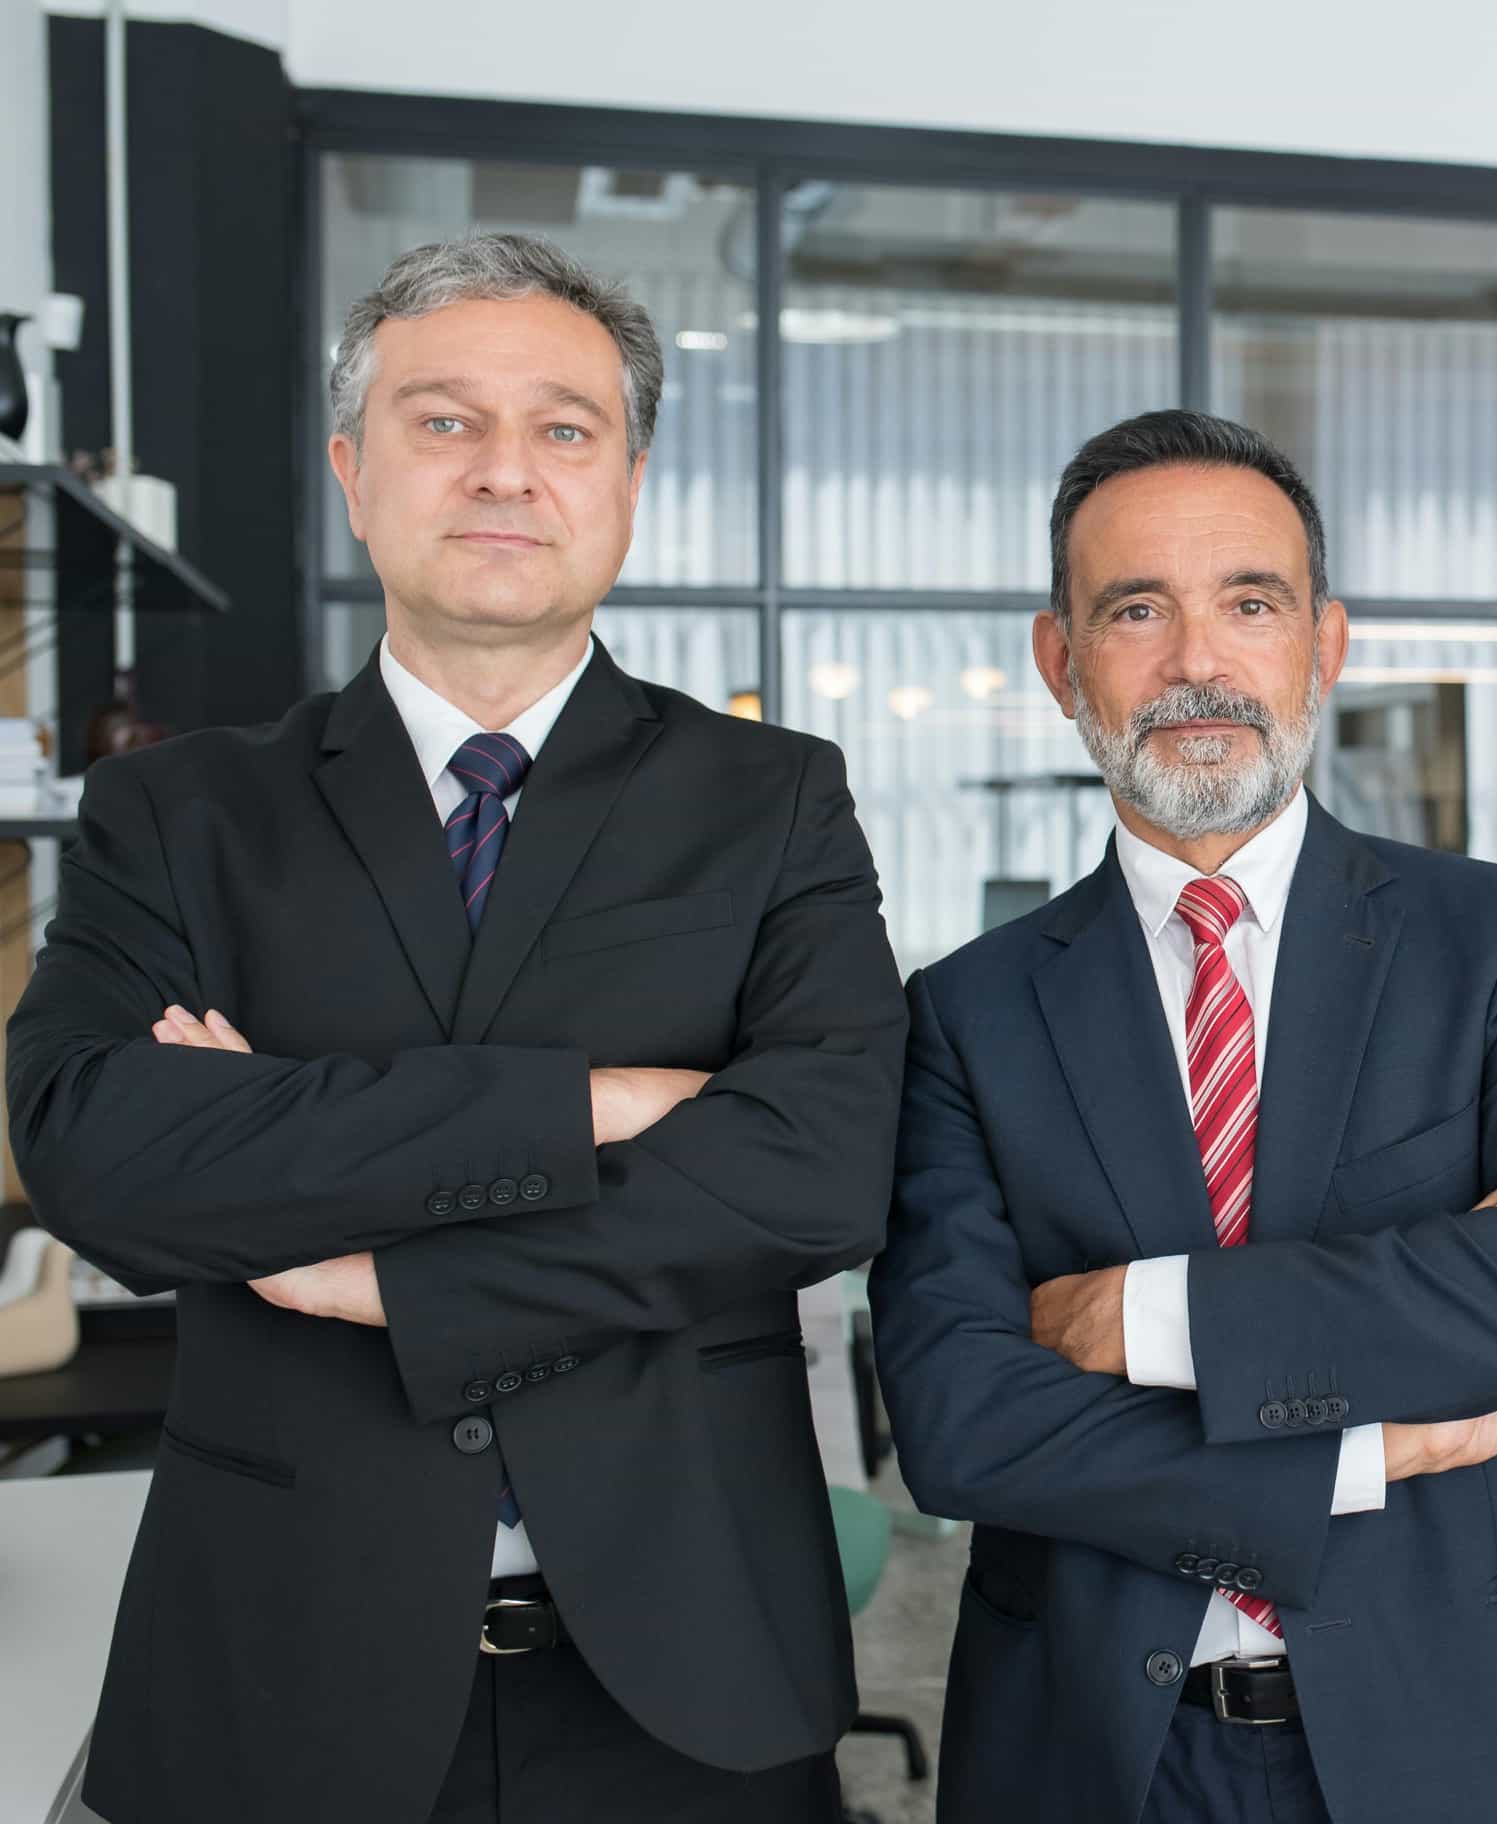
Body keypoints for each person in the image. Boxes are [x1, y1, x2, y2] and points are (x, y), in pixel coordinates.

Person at [7, 231, 904, 1824]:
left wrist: (375, 1273)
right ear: (353, 473)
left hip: (690, 1670)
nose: (505, 469)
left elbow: (823, 1169)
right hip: (283, 1666)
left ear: (628, 482)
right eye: (443, 421)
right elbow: (95, 1149)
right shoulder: (182, 812)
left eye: (563, 427)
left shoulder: (770, 799)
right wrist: (594, 1107)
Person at [874, 408, 1497, 1824]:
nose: (1198, 660)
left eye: (1250, 603)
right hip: (1106, 1754)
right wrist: (1384, 1439)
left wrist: (1143, 1317)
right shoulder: (968, 1011)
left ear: (1325, 641)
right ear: (1061, 662)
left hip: (1476, 1730)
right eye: (1137, 610)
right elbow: (962, 1422)